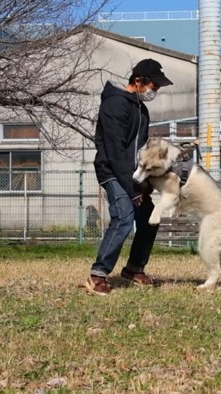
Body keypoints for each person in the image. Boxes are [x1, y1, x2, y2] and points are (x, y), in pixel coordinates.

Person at [85, 59, 173, 296]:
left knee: (149, 217)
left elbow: (138, 149)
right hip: (111, 170)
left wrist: (147, 176)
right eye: (153, 86)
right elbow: (116, 152)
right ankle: (98, 274)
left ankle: (134, 268)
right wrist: (133, 190)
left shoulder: (140, 109)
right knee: (124, 217)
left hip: (130, 172)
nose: (155, 91)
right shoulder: (114, 105)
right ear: (138, 81)